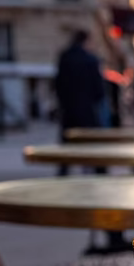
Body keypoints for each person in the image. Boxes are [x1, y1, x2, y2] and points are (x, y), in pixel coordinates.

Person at [53, 30, 105, 175]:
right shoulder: (91, 60)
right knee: (95, 150)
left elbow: (58, 85)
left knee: (66, 153)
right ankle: (101, 177)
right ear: (86, 41)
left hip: (68, 111)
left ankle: (62, 178)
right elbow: (99, 91)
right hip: (88, 112)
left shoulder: (64, 57)